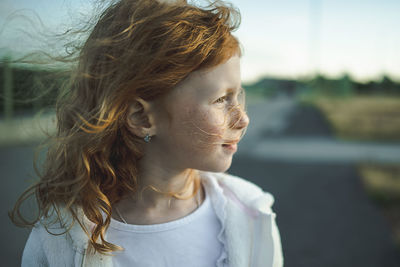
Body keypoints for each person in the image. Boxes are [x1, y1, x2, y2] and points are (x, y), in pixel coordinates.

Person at [11, 0, 283, 266]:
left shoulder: (252, 215)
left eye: (238, 95)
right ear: (142, 117)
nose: (243, 119)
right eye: (222, 99)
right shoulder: (60, 240)